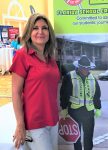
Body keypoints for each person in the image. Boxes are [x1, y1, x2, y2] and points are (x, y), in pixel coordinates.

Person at [9, 13, 60, 150]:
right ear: (29, 32)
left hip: (53, 119)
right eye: (35, 28)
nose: (40, 32)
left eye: (44, 28)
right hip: (34, 122)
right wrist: (20, 125)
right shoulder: (22, 55)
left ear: (49, 32)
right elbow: (16, 93)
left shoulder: (51, 58)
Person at [60, 55, 102, 150]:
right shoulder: (69, 76)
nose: (86, 70)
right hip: (74, 111)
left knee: (88, 136)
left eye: (88, 68)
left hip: (89, 112)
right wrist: (64, 108)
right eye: (83, 68)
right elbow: (64, 94)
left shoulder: (92, 78)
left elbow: (96, 94)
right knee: (76, 137)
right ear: (78, 67)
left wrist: (98, 107)